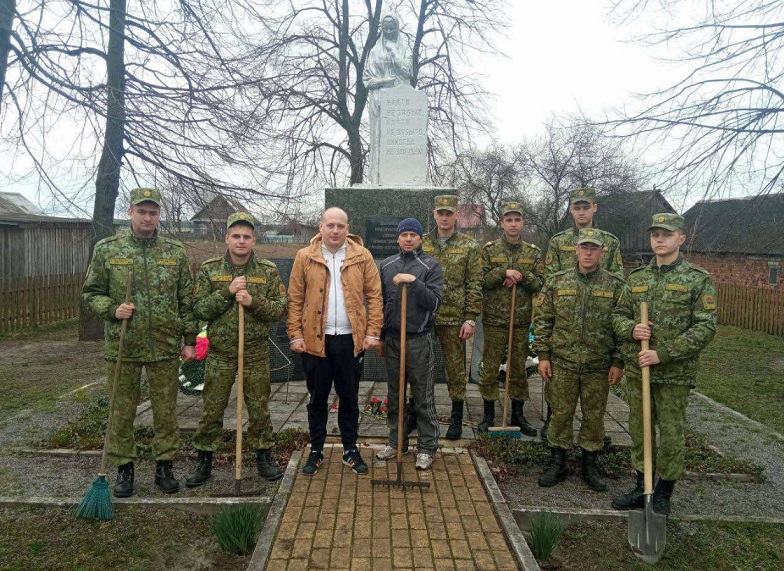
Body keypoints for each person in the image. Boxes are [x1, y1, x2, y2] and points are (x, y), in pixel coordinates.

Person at [82, 187, 198, 497]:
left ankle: (164, 466)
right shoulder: (108, 249)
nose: (148, 217)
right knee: (121, 410)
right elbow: (92, 292)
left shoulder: (174, 252)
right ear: (131, 212)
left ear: (159, 214)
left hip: (164, 344)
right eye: (142, 211)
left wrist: (188, 340)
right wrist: (112, 309)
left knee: (165, 410)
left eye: (153, 212)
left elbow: (186, 299)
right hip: (124, 345)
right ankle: (124, 469)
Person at [611, 213, 717, 515]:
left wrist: (664, 353)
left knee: (671, 433)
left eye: (667, 234)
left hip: (673, 373)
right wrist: (632, 329)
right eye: (655, 234)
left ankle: (664, 492)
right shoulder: (638, 278)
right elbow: (618, 315)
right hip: (638, 370)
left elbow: (705, 327)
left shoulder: (697, 279)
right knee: (639, 429)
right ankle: (641, 485)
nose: (660, 239)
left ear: (681, 239)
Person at [186, 213, 287, 487]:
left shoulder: (266, 270)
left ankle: (264, 456)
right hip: (220, 352)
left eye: (247, 236)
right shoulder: (210, 269)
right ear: (227, 238)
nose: (241, 241)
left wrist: (253, 301)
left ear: (254, 240)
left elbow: (280, 309)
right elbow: (199, 308)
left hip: (254, 352)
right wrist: (227, 292)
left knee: (259, 408)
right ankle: (204, 459)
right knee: (212, 408)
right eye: (236, 236)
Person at [287, 207, 383, 476]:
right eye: (330, 225)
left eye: (340, 226)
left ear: (347, 228)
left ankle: (350, 450)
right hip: (316, 342)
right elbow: (294, 299)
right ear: (320, 227)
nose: (335, 230)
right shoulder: (305, 257)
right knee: (317, 399)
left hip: (350, 341)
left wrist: (373, 332)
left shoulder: (362, 256)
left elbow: (375, 297)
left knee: (349, 398)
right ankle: (316, 450)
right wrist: (295, 334)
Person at [532, 229, 626, 491]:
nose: (588, 253)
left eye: (593, 249)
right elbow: (543, 320)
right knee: (560, 413)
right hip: (562, 361)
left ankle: (590, 464)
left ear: (602, 252)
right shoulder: (557, 282)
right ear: (575, 249)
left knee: (594, 416)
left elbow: (621, 326)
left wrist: (618, 361)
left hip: (598, 364)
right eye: (584, 247)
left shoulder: (616, 285)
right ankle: (557, 462)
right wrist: (543, 356)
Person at [541, 187, 624, 440]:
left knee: (594, 413)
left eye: (585, 207)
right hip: (565, 338)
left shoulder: (610, 242)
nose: (581, 212)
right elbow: (548, 294)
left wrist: (618, 359)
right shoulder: (558, 241)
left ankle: (591, 454)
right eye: (576, 207)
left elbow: (619, 294)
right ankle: (557, 446)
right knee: (560, 407)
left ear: (594, 208)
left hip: (596, 344)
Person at [376, 218, 443, 470]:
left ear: (420, 238)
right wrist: (382, 337)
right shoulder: (387, 265)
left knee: (422, 396)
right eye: (404, 234)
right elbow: (383, 305)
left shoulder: (431, 266)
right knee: (395, 395)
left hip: (418, 340)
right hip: (393, 339)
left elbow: (435, 303)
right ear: (397, 238)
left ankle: (426, 447)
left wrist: (414, 283)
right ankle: (396, 441)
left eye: (413, 234)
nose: (408, 238)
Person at [478, 202, 544, 435]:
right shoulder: (489, 250)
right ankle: (488, 414)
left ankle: (518, 414)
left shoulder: (533, 252)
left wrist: (522, 276)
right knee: (490, 367)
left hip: (520, 320)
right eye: (509, 220)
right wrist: (502, 273)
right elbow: (482, 280)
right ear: (502, 222)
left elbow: (540, 283)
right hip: (495, 319)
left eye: (517, 220)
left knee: (518, 368)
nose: (513, 224)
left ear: (522, 222)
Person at [419, 195, 482, 440]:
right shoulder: (422, 243)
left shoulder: (469, 246)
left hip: (454, 318)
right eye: (440, 212)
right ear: (434, 214)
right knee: (420, 366)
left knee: (455, 369)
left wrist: (470, 318)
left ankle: (456, 416)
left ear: (456, 215)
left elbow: (474, 283)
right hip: (424, 317)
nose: (444, 217)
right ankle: (417, 413)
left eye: (449, 213)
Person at [363, 12, 413, 184]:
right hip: (379, 99)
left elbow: (407, 71)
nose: (389, 31)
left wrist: (393, 53)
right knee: (379, 139)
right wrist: (384, 81)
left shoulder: (404, 49)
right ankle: (378, 177)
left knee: (401, 144)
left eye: (392, 28)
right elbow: (367, 80)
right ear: (382, 29)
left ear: (397, 28)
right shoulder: (374, 51)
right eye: (386, 28)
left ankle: (403, 176)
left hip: (402, 103)